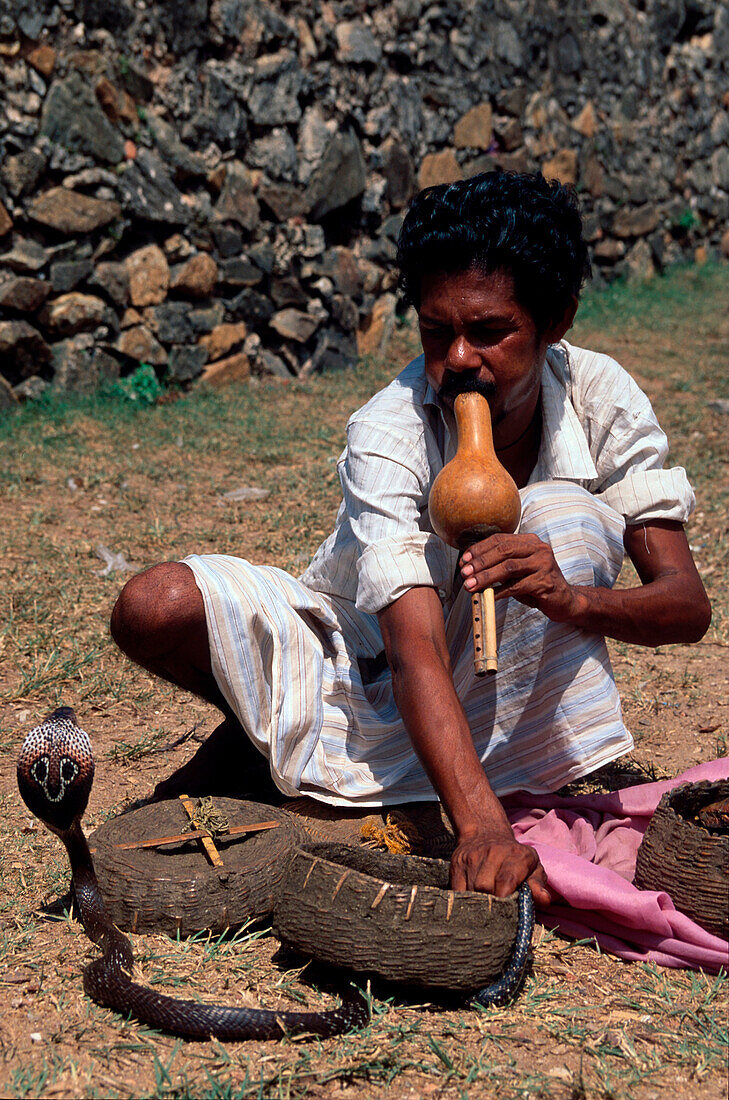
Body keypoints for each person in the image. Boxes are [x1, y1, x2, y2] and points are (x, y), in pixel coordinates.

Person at [110, 172, 711, 909]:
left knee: (561, 516)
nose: (458, 358)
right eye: (436, 331)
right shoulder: (386, 427)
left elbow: (685, 607)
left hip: (493, 683)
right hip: (366, 658)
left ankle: (323, 765)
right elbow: (410, 648)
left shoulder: (599, 395)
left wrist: (573, 600)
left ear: (555, 320)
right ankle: (333, 755)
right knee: (156, 603)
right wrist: (483, 831)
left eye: (487, 332)